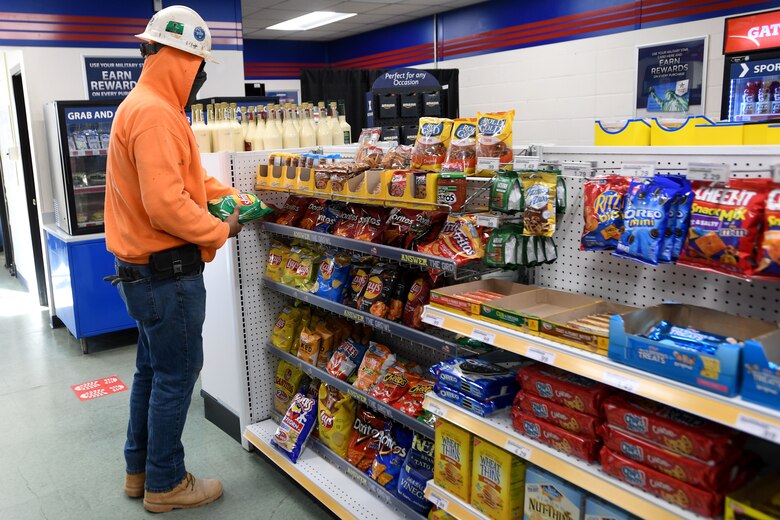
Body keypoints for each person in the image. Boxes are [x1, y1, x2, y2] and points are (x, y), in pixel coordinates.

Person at [103, 5, 242, 513]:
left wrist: (232, 195)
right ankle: (166, 484)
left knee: (152, 372)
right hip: (168, 275)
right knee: (178, 377)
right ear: (182, 60)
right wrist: (219, 228)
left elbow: (186, 180)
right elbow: (166, 205)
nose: (201, 76)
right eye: (200, 66)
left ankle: (138, 472)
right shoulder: (157, 114)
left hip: (142, 275)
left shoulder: (145, 105)